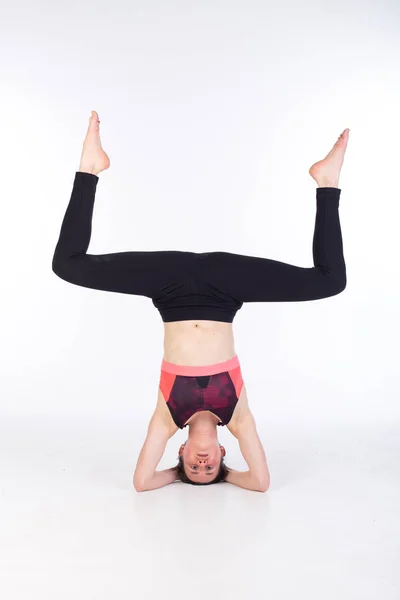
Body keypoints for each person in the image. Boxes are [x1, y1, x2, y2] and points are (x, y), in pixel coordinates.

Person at [52, 110, 349, 493]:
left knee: (67, 265)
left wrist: (174, 477)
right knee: (330, 281)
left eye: (192, 468)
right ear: (225, 453)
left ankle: (89, 168)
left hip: (169, 288)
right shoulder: (237, 418)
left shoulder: (167, 418)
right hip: (226, 290)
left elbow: (142, 483)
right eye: (210, 471)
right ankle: (327, 182)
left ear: (181, 452)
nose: (201, 465)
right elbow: (259, 483)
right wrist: (228, 479)